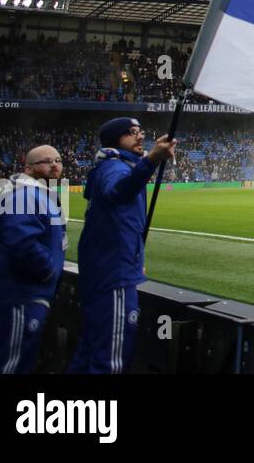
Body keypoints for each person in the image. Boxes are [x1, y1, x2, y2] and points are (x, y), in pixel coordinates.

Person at [68, 117, 176, 374]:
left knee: (90, 351)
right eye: (131, 132)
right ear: (116, 139)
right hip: (113, 277)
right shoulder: (114, 168)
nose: (140, 136)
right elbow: (118, 192)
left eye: (140, 132)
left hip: (110, 269)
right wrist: (151, 160)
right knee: (112, 358)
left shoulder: (113, 166)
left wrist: (135, 259)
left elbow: (121, 223)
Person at [0, 145, 66, 373]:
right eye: (47, 161)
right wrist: (48, 272)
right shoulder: (25, 195)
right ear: (28, 167)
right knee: (9, 366)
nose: (55, 164)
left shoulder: (30, 194)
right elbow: (22, 244)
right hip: (18, 298)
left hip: (18, 297)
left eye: (57, 159)